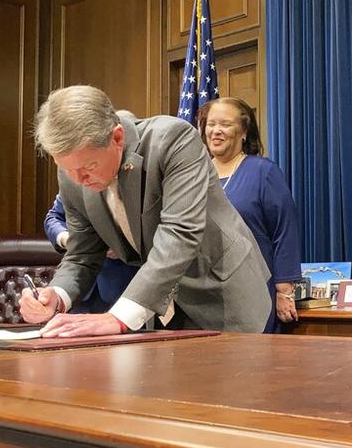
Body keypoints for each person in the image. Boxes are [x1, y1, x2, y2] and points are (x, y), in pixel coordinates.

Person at [19, 85, 272, 337]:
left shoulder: (173, 140)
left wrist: (117, 318)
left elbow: (180, 233)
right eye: (67, 169)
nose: (78, 179)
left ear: (117, 138)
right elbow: (82, 253)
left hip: (221, 291)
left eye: (88, 166)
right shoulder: (72, 172)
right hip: (157, 305)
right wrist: (57, 295)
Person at [198, 97, 302, 332]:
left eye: (225, 124)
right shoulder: (194, 176)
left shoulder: (263, 172)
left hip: (253, 291)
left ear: (244, 132)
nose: (216, 131)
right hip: (203, 296)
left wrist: (284, 290)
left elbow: (284, 231)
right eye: (211, 124)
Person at [43, 193, 136, 313]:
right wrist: (69, 240)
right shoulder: (76, 180)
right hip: (77, 290)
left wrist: (124, 247)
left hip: (123, 289)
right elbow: (54, 217)